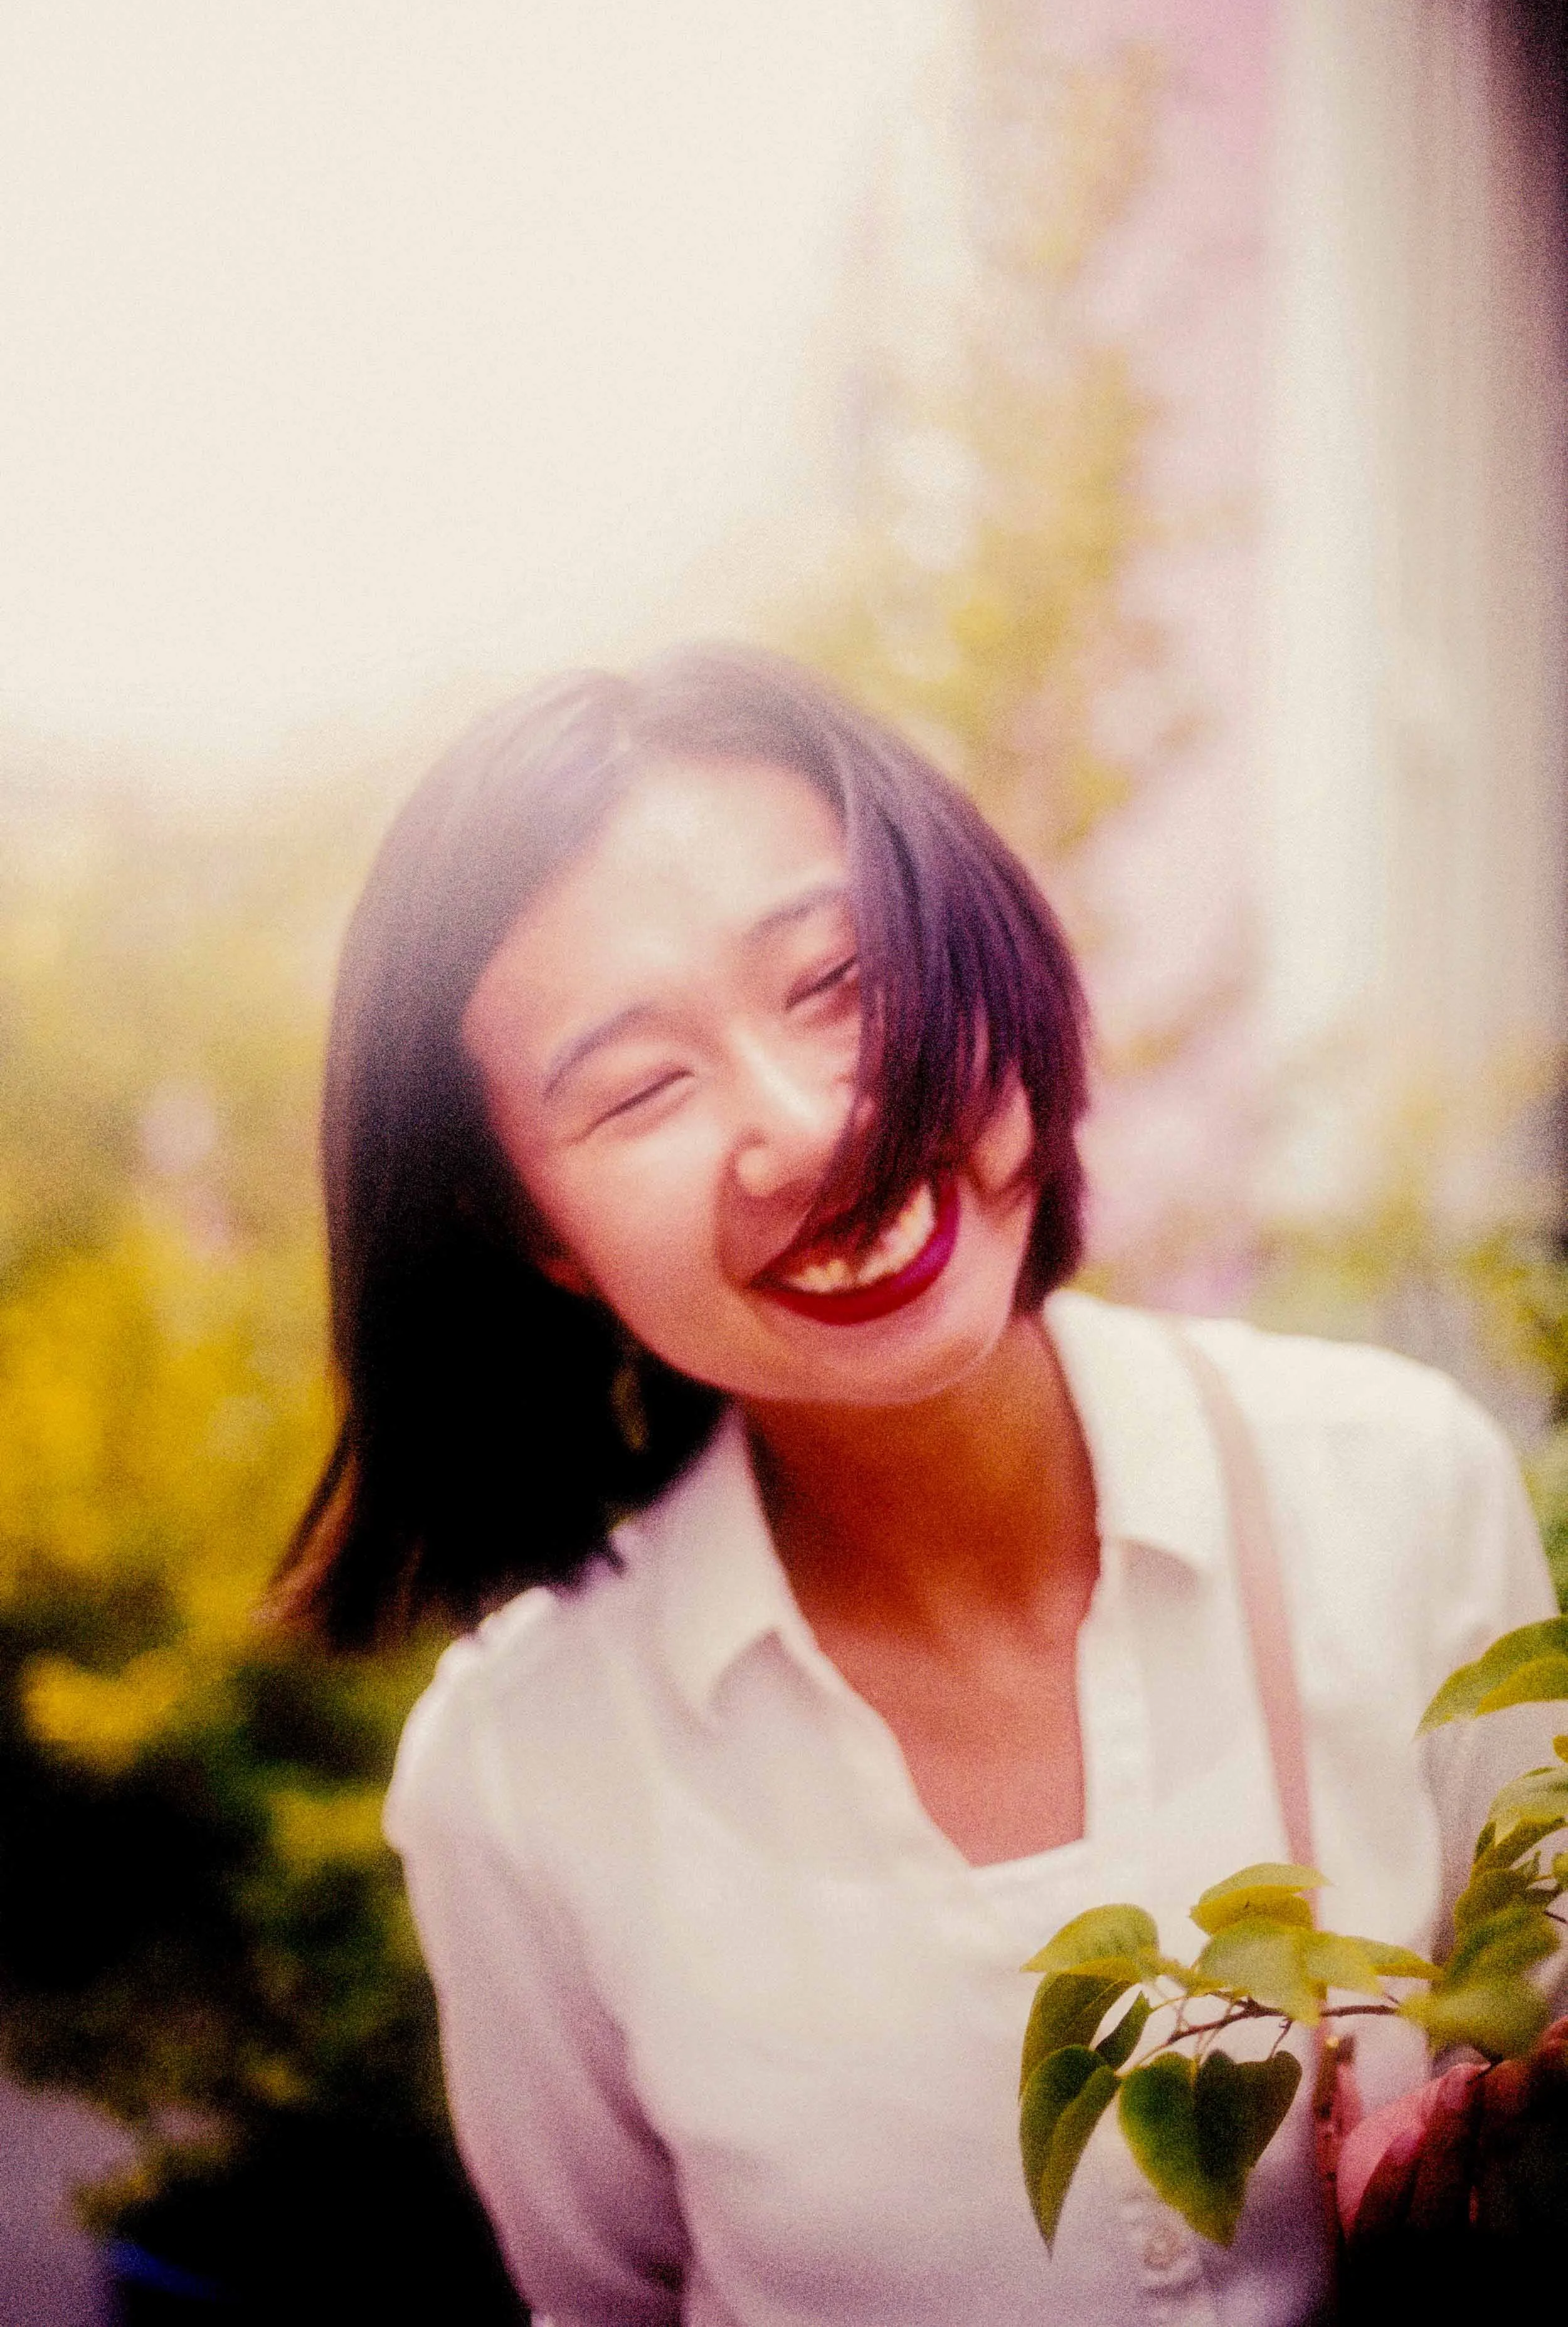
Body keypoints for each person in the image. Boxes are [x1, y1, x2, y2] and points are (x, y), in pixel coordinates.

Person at [276, 646, 1561, 2326]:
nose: (804, 1124)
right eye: (641, 1085)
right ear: (534, 1236)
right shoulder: (522, 1771)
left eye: (834, 977)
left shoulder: (1395, 1488)